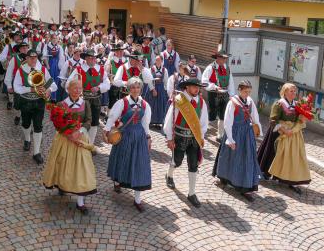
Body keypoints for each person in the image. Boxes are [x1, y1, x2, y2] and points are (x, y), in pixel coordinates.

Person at [42, 77, 97, 215]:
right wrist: (67, 134)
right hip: (64, 140)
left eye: (79, 88)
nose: (77, 91)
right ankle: (62, 185)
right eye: (74, 88)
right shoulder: (61, 104)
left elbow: (88, 120)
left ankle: (80, 201)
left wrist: (79, 132)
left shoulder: (85, 103)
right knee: (63, 164)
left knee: (82, 168)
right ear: (68, 90)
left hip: (80, 139)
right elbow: (57, 123)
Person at [104, 77, 152, 212]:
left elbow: (145, 123)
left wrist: (148, 136)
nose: (135, 90)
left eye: (138, 87)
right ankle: (118, 181)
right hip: (124, 135)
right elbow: (112, 117)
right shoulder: (122, 102)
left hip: (139, 138)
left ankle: (137, 199)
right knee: (121, 159)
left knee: (139, 165)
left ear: (141, 89)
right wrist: (107, 131)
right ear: (128, 89)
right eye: (133, 87)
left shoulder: (145, 105)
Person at [212, 80, 262, 201]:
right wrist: (230, 139)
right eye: (245, 91)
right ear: (239, 90)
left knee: (247, 158)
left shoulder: (250, 102)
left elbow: (255, 117)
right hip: (234, 133)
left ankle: (245, 186)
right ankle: (224, 177)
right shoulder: (233, 102)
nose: (247, 94)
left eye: (249, 92)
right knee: (229, 156)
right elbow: (228, 122)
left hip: (247, 134)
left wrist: (258, 130)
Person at [163, 78, 208, 207]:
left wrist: (201, 136)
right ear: (187, 87)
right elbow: (169, 120)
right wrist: (170, 138)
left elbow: (204, 122)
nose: (197, 89)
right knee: (177, 161)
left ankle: (191, 193)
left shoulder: (201, 102)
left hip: (194, 138)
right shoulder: (179, 100)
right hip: (180, 137)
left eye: (198, 87)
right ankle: (169, 175)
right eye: (194, 87)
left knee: (193, 165)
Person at [13, 49, 57, 164]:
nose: (33, 60)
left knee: (38, 126)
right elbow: (16, 87)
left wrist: (49, 90)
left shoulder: (42, 69)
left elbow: (53, 83)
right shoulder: (21, 70)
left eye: (35, 57)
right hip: (26, 101)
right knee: (26, 124)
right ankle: (27, 139)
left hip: (39, 102)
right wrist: (30, 89)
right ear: (26, 58)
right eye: (31, 58)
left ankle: (36, 152)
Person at [266, 83, 311, 193]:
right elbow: (273, 120)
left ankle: (292, 178)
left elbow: (299, 119)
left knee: (294, 156)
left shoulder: (297, 104)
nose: (293, 93)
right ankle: (274, 174)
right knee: (277, 154)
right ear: (285, 92)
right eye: (291, 91)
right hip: (280, 133)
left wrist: (302, 119)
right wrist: (284, 130)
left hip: (294, 134)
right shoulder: (279, 104)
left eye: (295, 91)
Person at [67, 49, 110, 149]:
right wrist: (77, 91)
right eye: (90, 58)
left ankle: (90, 145)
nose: (93, 60)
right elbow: (69, 83)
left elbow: (107, 83)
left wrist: (99, 88)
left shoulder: (101, 69)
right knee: (82, 122)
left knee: (94, 122)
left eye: (94, 58)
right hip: (83, 100)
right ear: (85, 58)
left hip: (96, 99)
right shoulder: (78, 69)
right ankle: (80, 143)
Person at [202, 50, 235, 142]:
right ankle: (203, 131)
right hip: (214, 94)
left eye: (225, 58)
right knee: (211, 114)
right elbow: (204, 82)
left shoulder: (227, 68)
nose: (225, 60)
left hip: (225, 94)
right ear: (218, 58)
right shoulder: (210, 68)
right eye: (223, 58)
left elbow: (231, 82)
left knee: (223, 114)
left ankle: (220, 135)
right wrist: (214, 87)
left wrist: (232, 95)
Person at [4, 42, 29, 124]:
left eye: (26, 47)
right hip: (17, 83)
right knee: (18, 103)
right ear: (19, 49)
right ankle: (18, 115)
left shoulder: (32, 58)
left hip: (29, 84)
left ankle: (28, 122)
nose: (25, 49)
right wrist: (9, 85)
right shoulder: (15, 59)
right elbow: (9, 72)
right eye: (23, 48)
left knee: (29, 103)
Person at [146, 55, 168, 128]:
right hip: (153, 88)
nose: (157, 61)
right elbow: (149, 81)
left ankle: (158, 122)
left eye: (158, 60)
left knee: (160, 105)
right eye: (156, 60)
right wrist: (153, 89)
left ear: (162, 61)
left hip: (161, 89)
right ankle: (151, 121)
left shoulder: (165, 70)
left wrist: (164, 91)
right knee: (152, 105)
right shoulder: (151, 69)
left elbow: (166, 81)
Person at [43, 34, 65, 102]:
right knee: (49, 80)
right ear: (51, 39)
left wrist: (60, 67)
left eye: (56, 38)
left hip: (57, 65)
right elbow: (45, 57)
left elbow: (61, 57)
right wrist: (47, 65)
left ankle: (54, 97)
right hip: (50, 63)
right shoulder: (47, 46)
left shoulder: (59, 47)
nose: (55, 40)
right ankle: (48, 95)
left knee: (56, 80)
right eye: (53, 38)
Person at [107, 43, 127, 109]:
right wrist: (111, 77)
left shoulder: (126, 61)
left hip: (124, 85)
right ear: (115, 52)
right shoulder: (111, 61)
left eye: (122, 51)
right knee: (112, 103)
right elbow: (106, 73)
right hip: (114, 86)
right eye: (118, 51)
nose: (120, 52)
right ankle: (110, 117)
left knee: (124, 103)